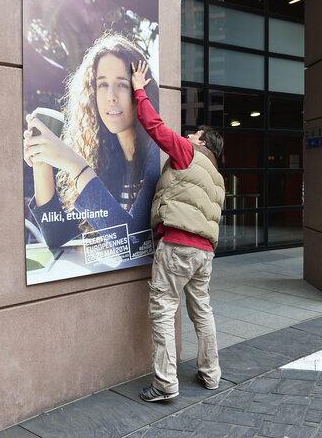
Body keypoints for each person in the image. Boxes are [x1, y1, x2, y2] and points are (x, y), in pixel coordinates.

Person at [130, 60, 226, 402]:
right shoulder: (218, 178)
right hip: (204, 253)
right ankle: (211, 373)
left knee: (163, 308)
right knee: (202, 309)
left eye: (194, 134)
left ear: (203, 143)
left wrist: (139, 89)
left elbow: (155, 127)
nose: (188, 136)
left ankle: (165, 384)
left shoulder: (189, 153)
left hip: (178, 247)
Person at [23, 32, 160, 251]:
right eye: (102, 85)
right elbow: (57, 236)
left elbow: (133, 243)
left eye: (123, 84)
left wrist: (75, 165)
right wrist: (42, 163)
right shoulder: (106, 158)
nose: (111, 96)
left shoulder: (157, 155)